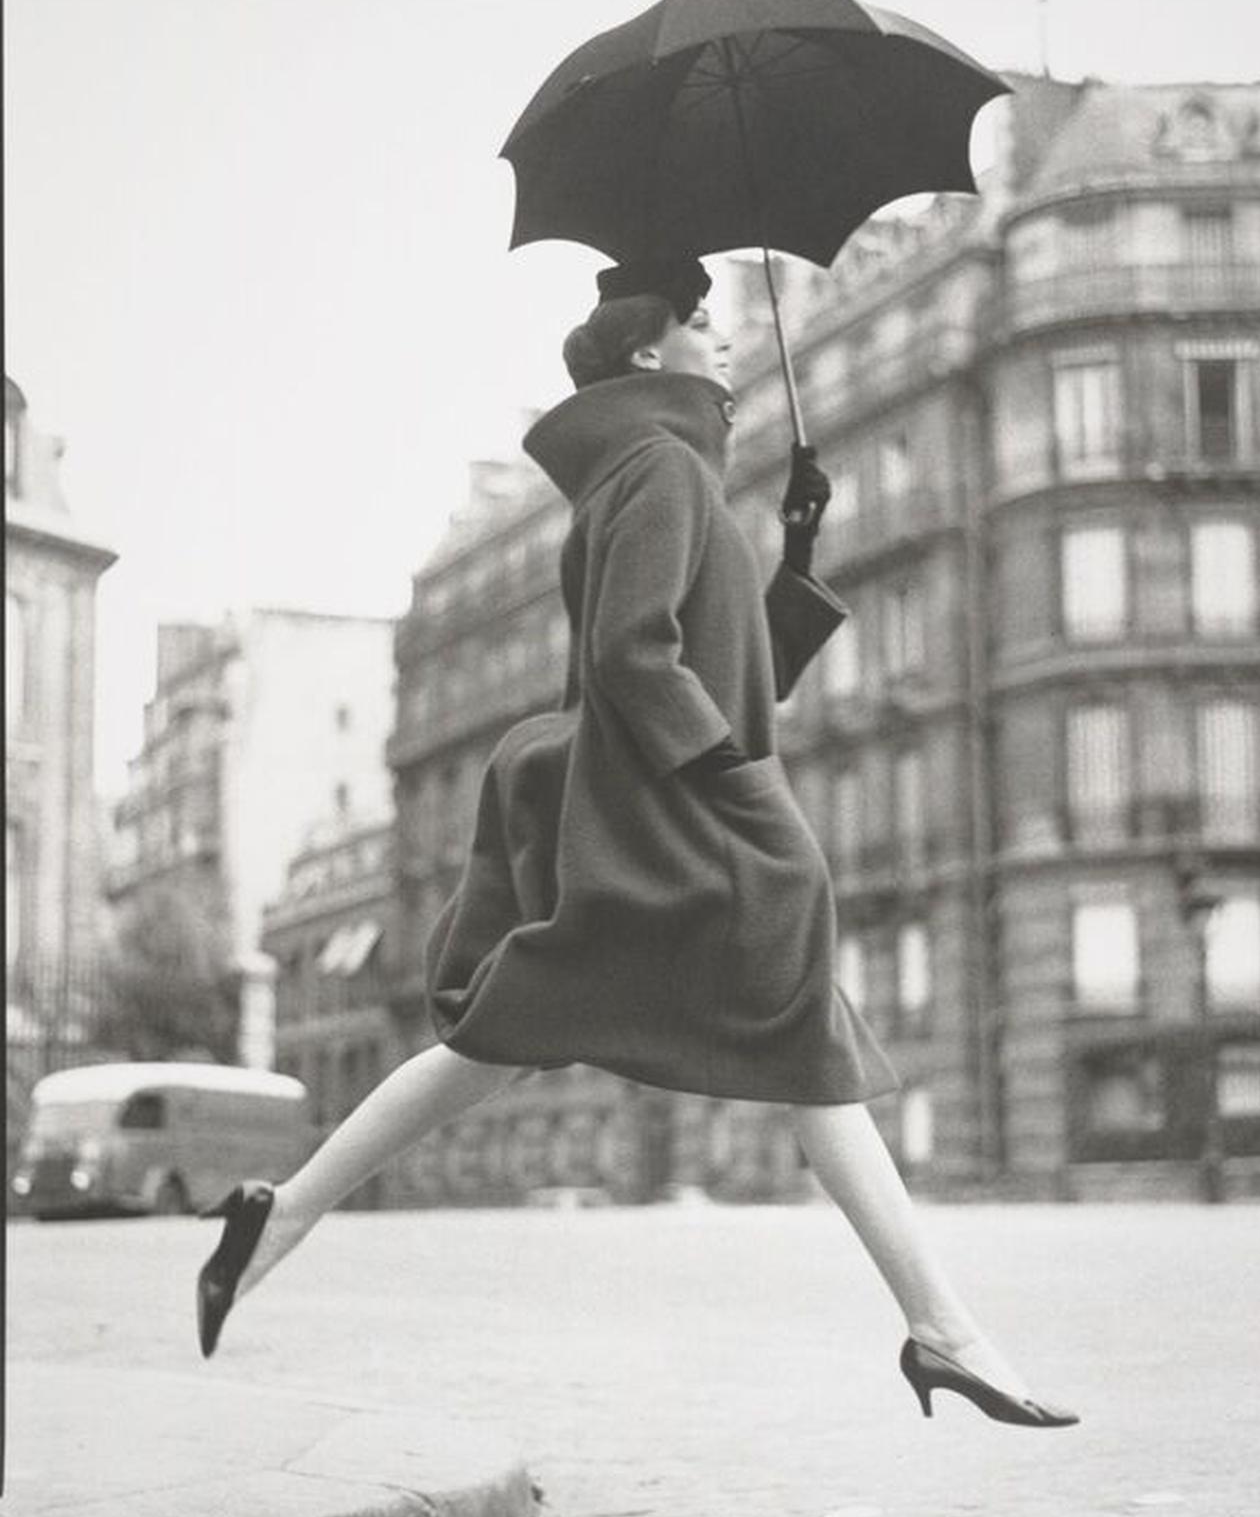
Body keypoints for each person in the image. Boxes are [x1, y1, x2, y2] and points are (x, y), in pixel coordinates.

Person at [198, 255, 1077, 1430]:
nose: (722, 336)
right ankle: (942, 1327)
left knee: (508, 1041)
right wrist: (730, 780)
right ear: (648, 354)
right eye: (700, 322)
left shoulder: (634, 471)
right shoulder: (663, 465)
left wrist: (798, 560)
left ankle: (283, 1212)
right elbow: (632, 655)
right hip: (684, 823)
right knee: (797, 1042)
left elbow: (706, 661)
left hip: (637, 826)